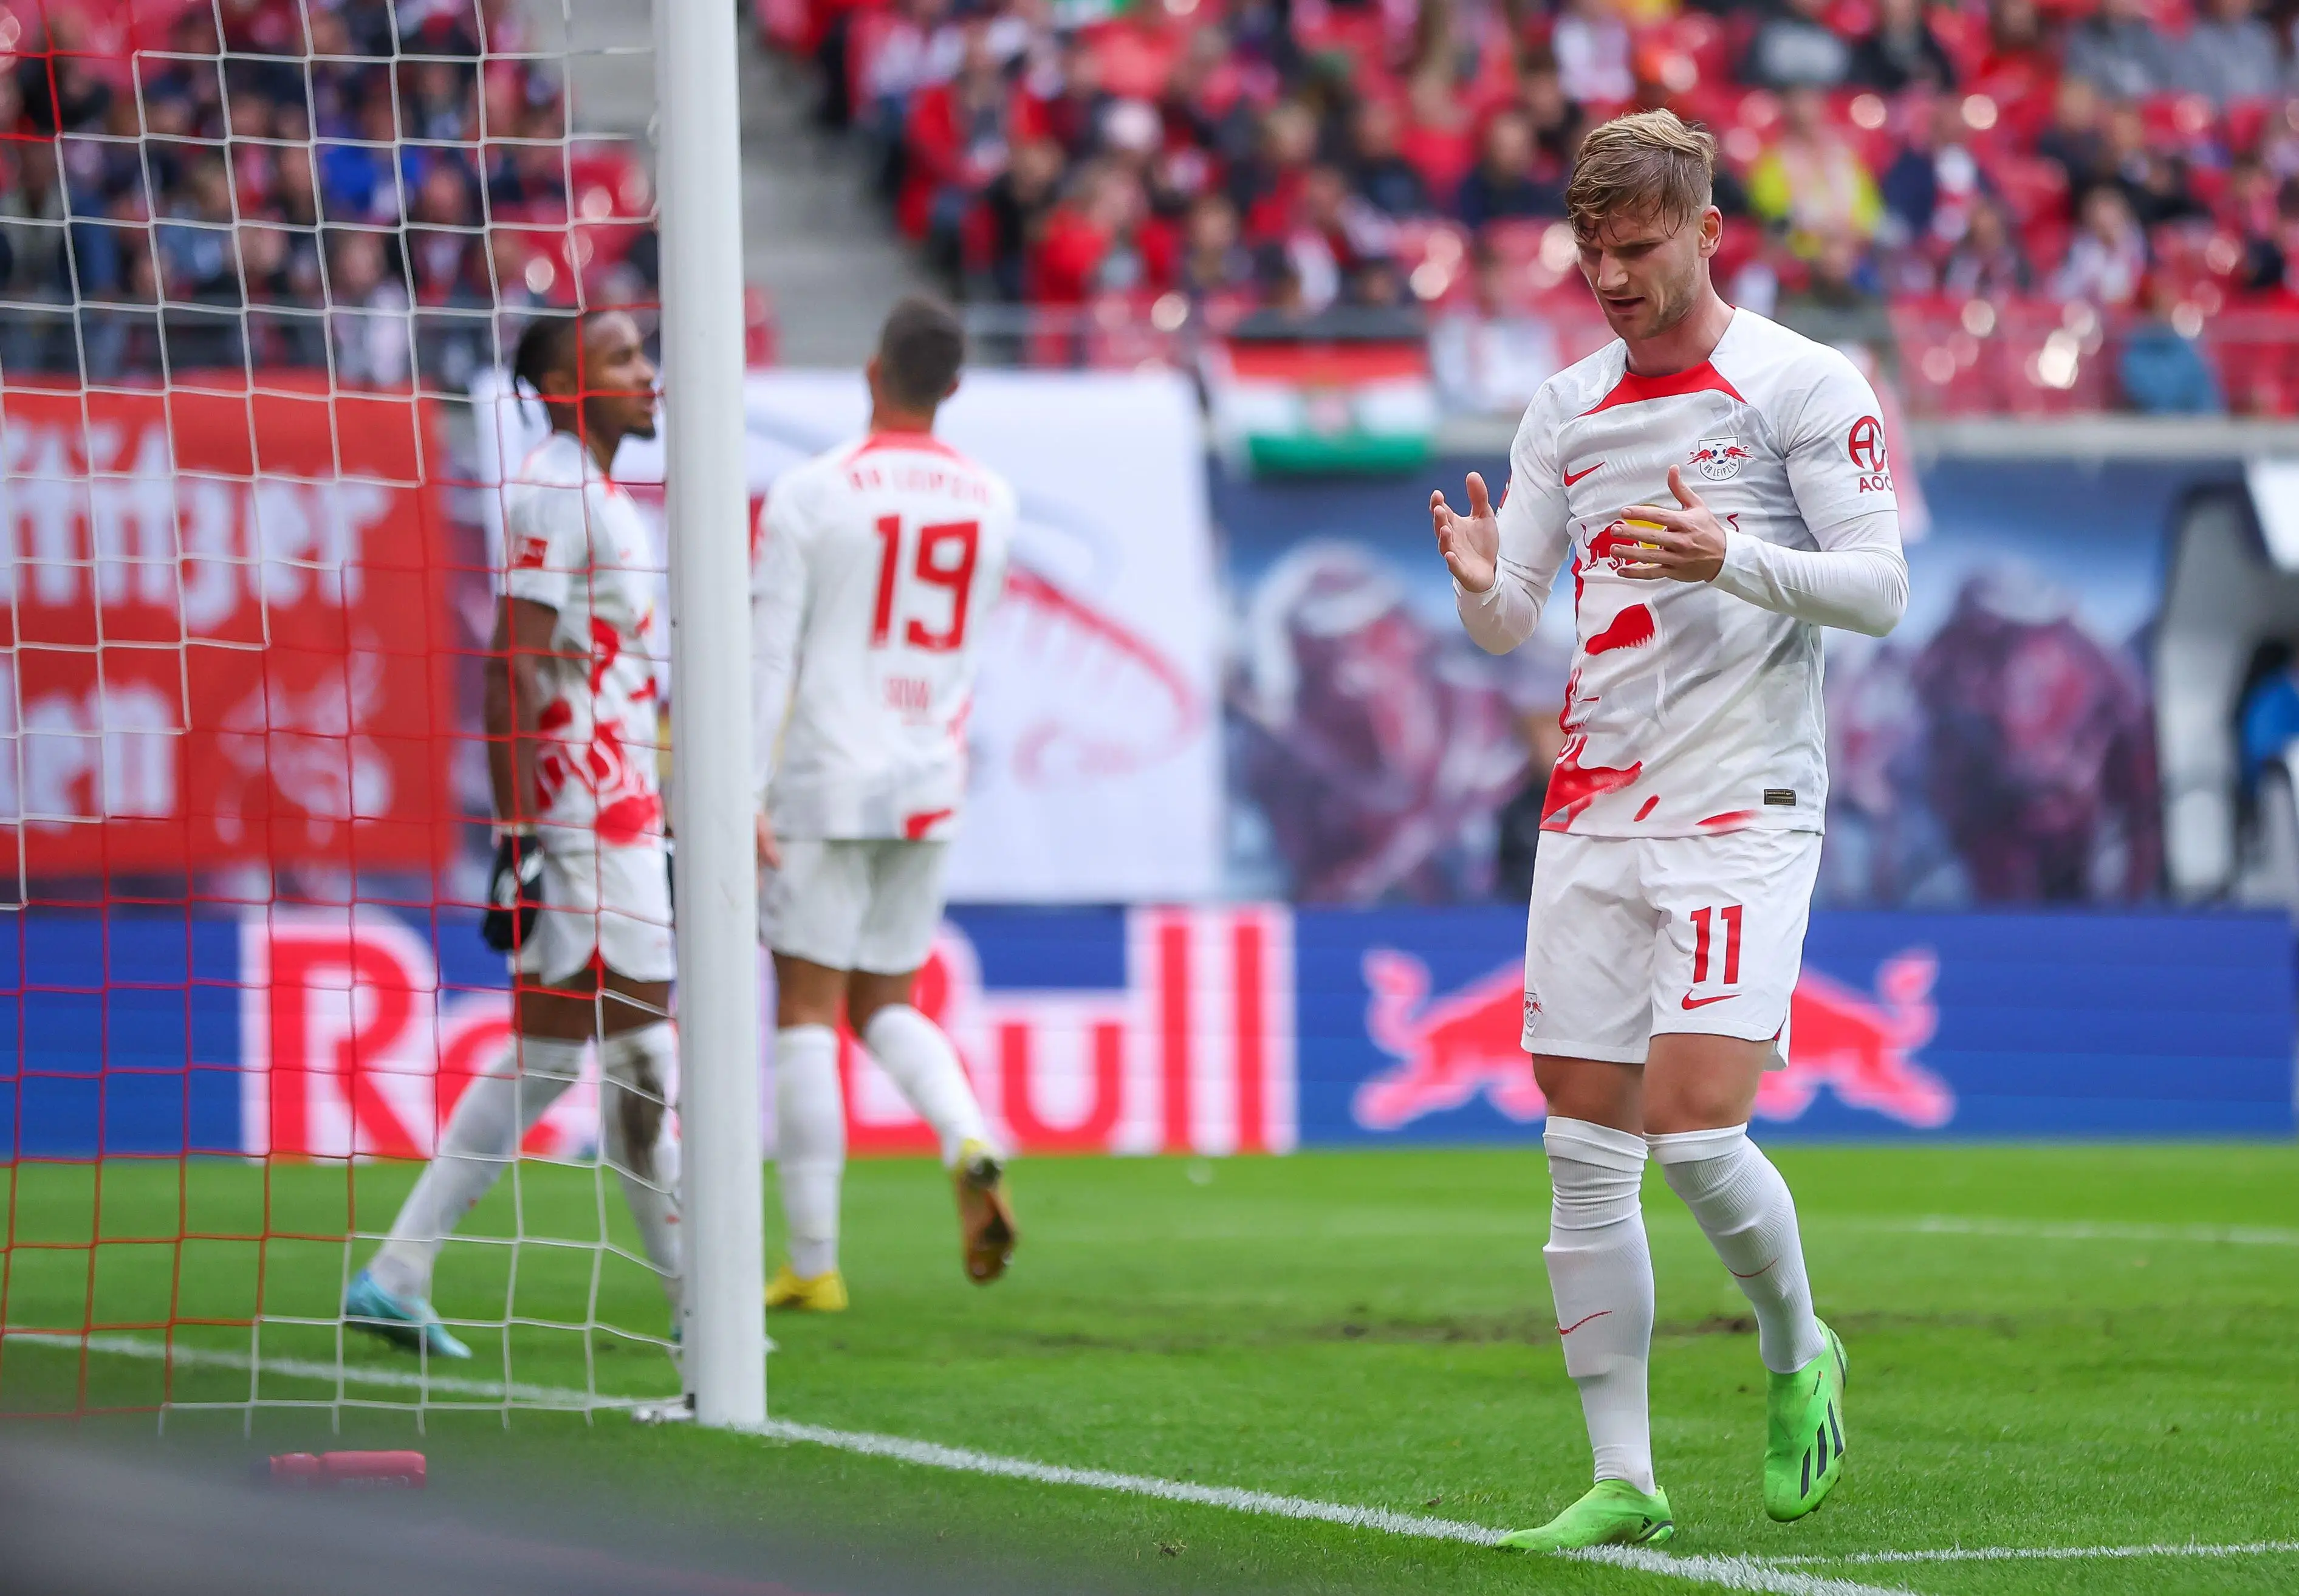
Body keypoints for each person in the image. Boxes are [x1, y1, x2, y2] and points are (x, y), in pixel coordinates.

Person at [1428, 109, 1907, 1550]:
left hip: (1741, 799)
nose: (1611, 278)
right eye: (1591, 252)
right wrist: (1478, 583)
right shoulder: (1563, 409)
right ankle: (1622, 1475)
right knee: (1582, 1142)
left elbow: (1879, 588)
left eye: (1636, 248)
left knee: (1693, 1128)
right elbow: (1514, 619)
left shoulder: (1800, 384)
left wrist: (1732, 556)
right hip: (1591, 807)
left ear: (1705, 230)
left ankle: (1798, 1346)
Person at [345, 309, 682, 1359]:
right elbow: (512, 665)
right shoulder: (555, 488)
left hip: (616, 809)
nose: (648, 372)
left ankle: (398, 1272)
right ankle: (706, 1316)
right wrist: (521, 834)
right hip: (584, 821)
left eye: (644, 353)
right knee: (641, 1056)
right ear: (564, 384)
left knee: (546, 1057)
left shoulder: (600, 494)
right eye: (622, 357)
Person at [751, 297, 1019, 1312]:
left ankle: (814, 1261)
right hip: (929, 777)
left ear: (872, 371)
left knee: (808, 1009)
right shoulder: (993, 498)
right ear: (955, 386)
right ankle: (966, 1134)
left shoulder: (813, 491)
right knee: (888, 1004)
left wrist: (741, 791)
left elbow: (768, 656)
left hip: (827, 774)